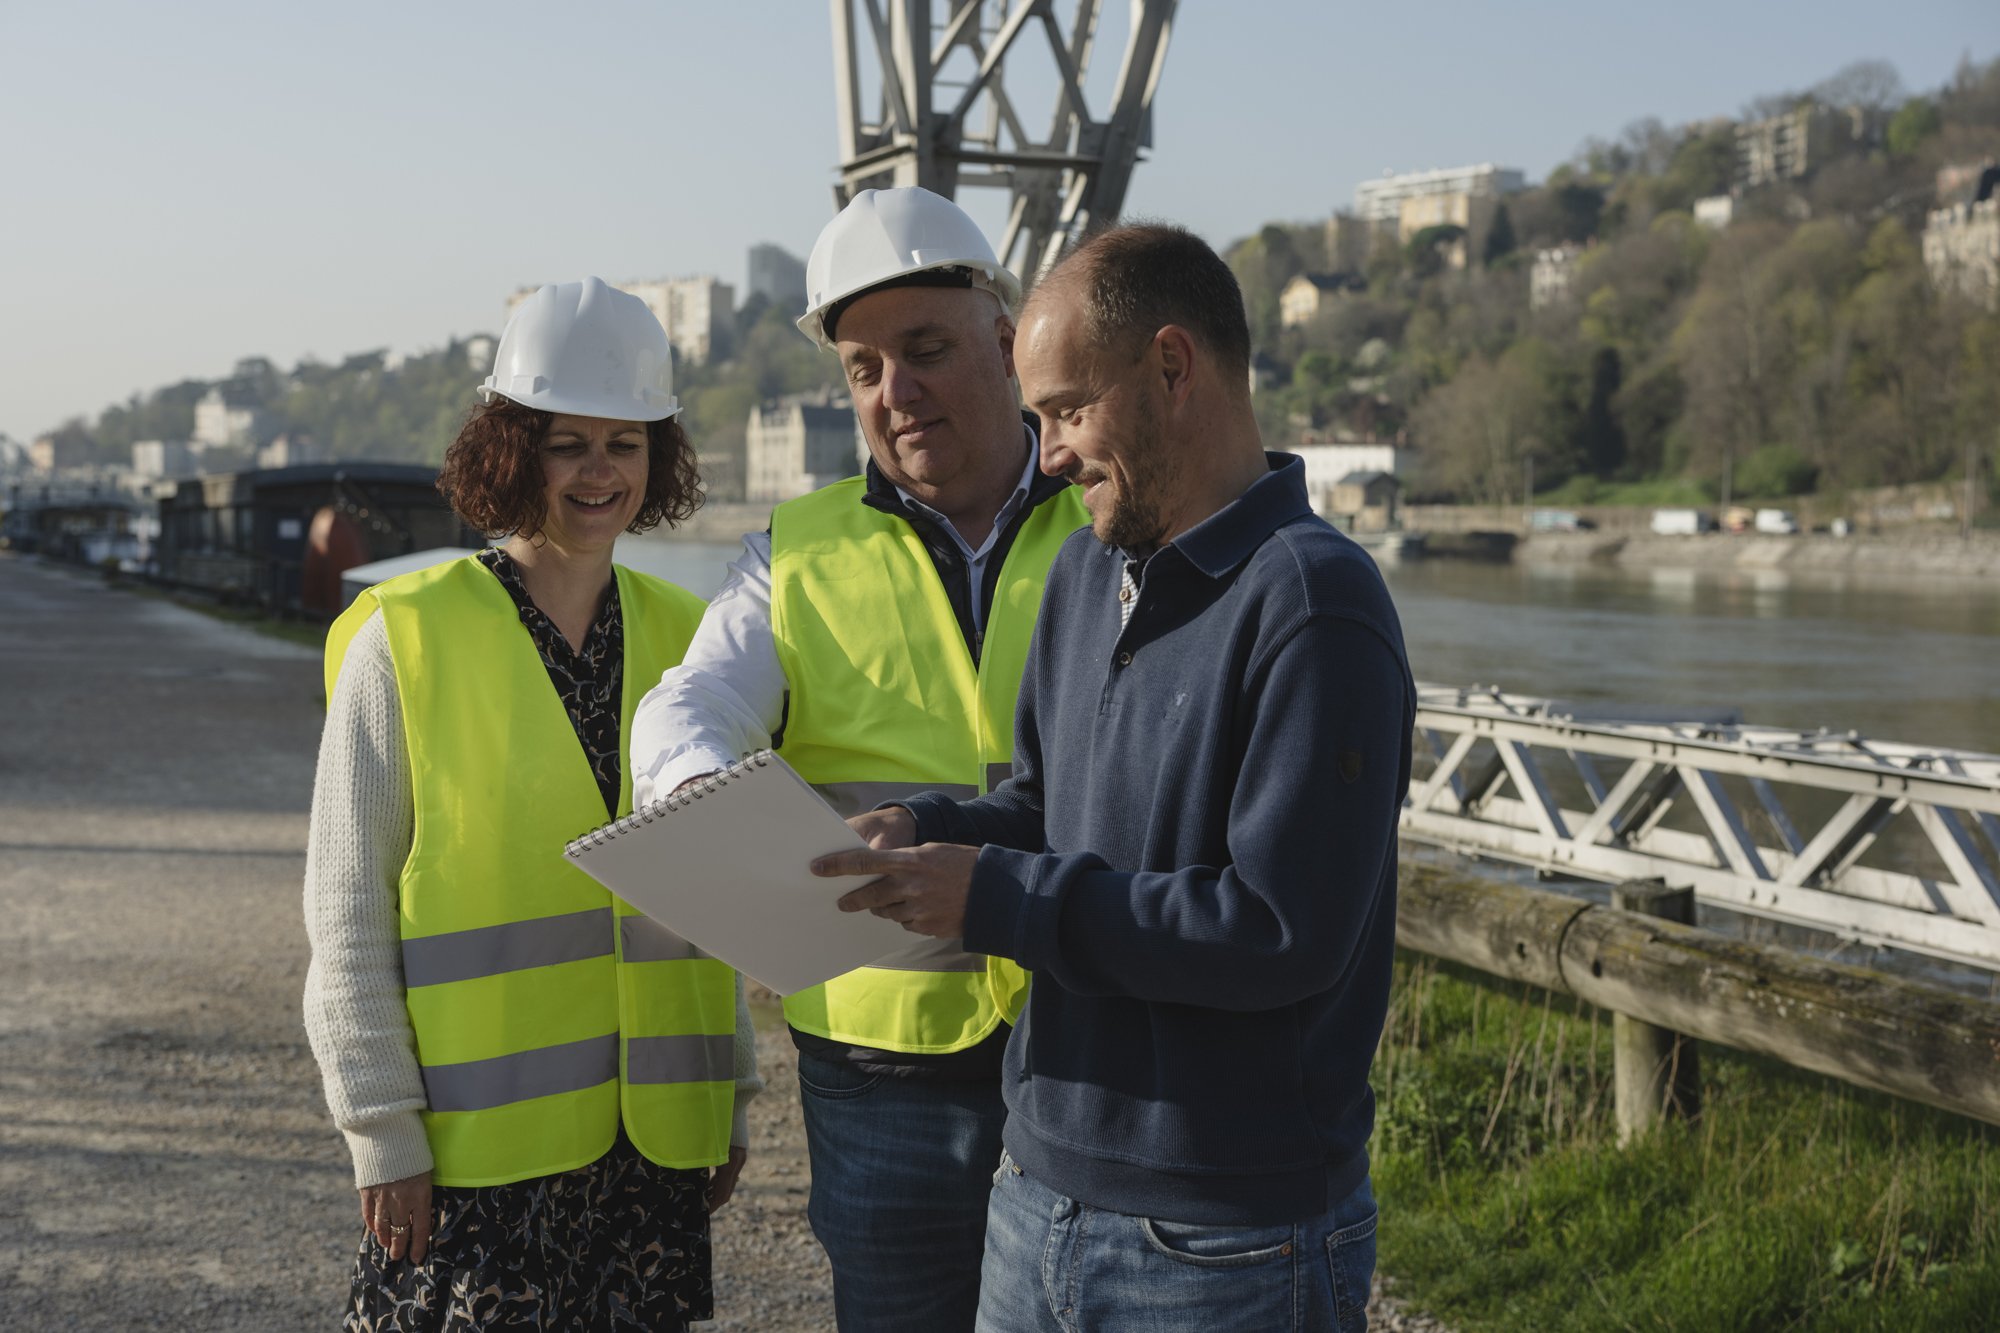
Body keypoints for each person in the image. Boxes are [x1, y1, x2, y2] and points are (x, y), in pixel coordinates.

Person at [810, 224, 1416, 1332]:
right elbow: (1043, 807)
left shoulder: (1314, 604)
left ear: (1172, 369)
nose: (1045, 455)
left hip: (1226, 1241)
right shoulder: (1089, 573)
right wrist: (925, 825)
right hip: (1033, 1190)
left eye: (1065, 410)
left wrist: (991, 898)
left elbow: (1280, 928)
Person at [629, 187, 1087, 1331]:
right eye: (863, 368)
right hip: (882, 1063)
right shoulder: (793, 553)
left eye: (925, 349)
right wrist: (699, 800)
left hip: (1098, 1023)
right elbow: (689, 706)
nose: (896, 390)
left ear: (1003, 338)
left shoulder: (1110, 510)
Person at [303, 277, 761, 1332]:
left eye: (626, 442)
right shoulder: (402, 639)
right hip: (474, 1163)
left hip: (649, 1147)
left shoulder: (697, 641)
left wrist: (727, 1088)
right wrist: (382, 1132)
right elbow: (346, 916)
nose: (600, 472)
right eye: (567, 443)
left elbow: (711, 883)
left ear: (659, 458)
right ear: (511, 451)